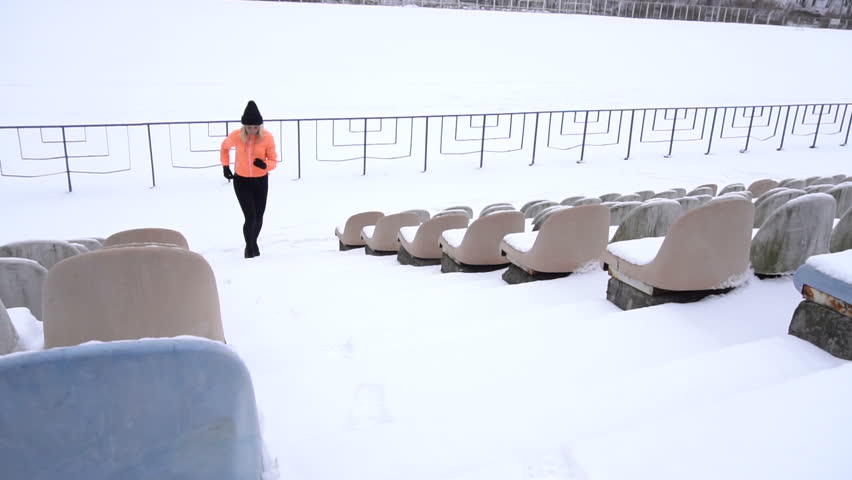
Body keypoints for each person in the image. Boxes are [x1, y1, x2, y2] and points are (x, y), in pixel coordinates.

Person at [220, 100, 278, 258]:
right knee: (250, 217)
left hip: (260, 181)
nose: (252, 130)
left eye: (255, 127)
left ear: (260, 126)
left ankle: (253, 243)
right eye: (248, 127)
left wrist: (264, 165)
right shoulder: (236, 136)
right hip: (242, 181)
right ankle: (250, 248)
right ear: (243, 126)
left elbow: (274, 161)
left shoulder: (267, 138)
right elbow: (224, 148)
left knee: (259, 217)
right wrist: (225, 166)